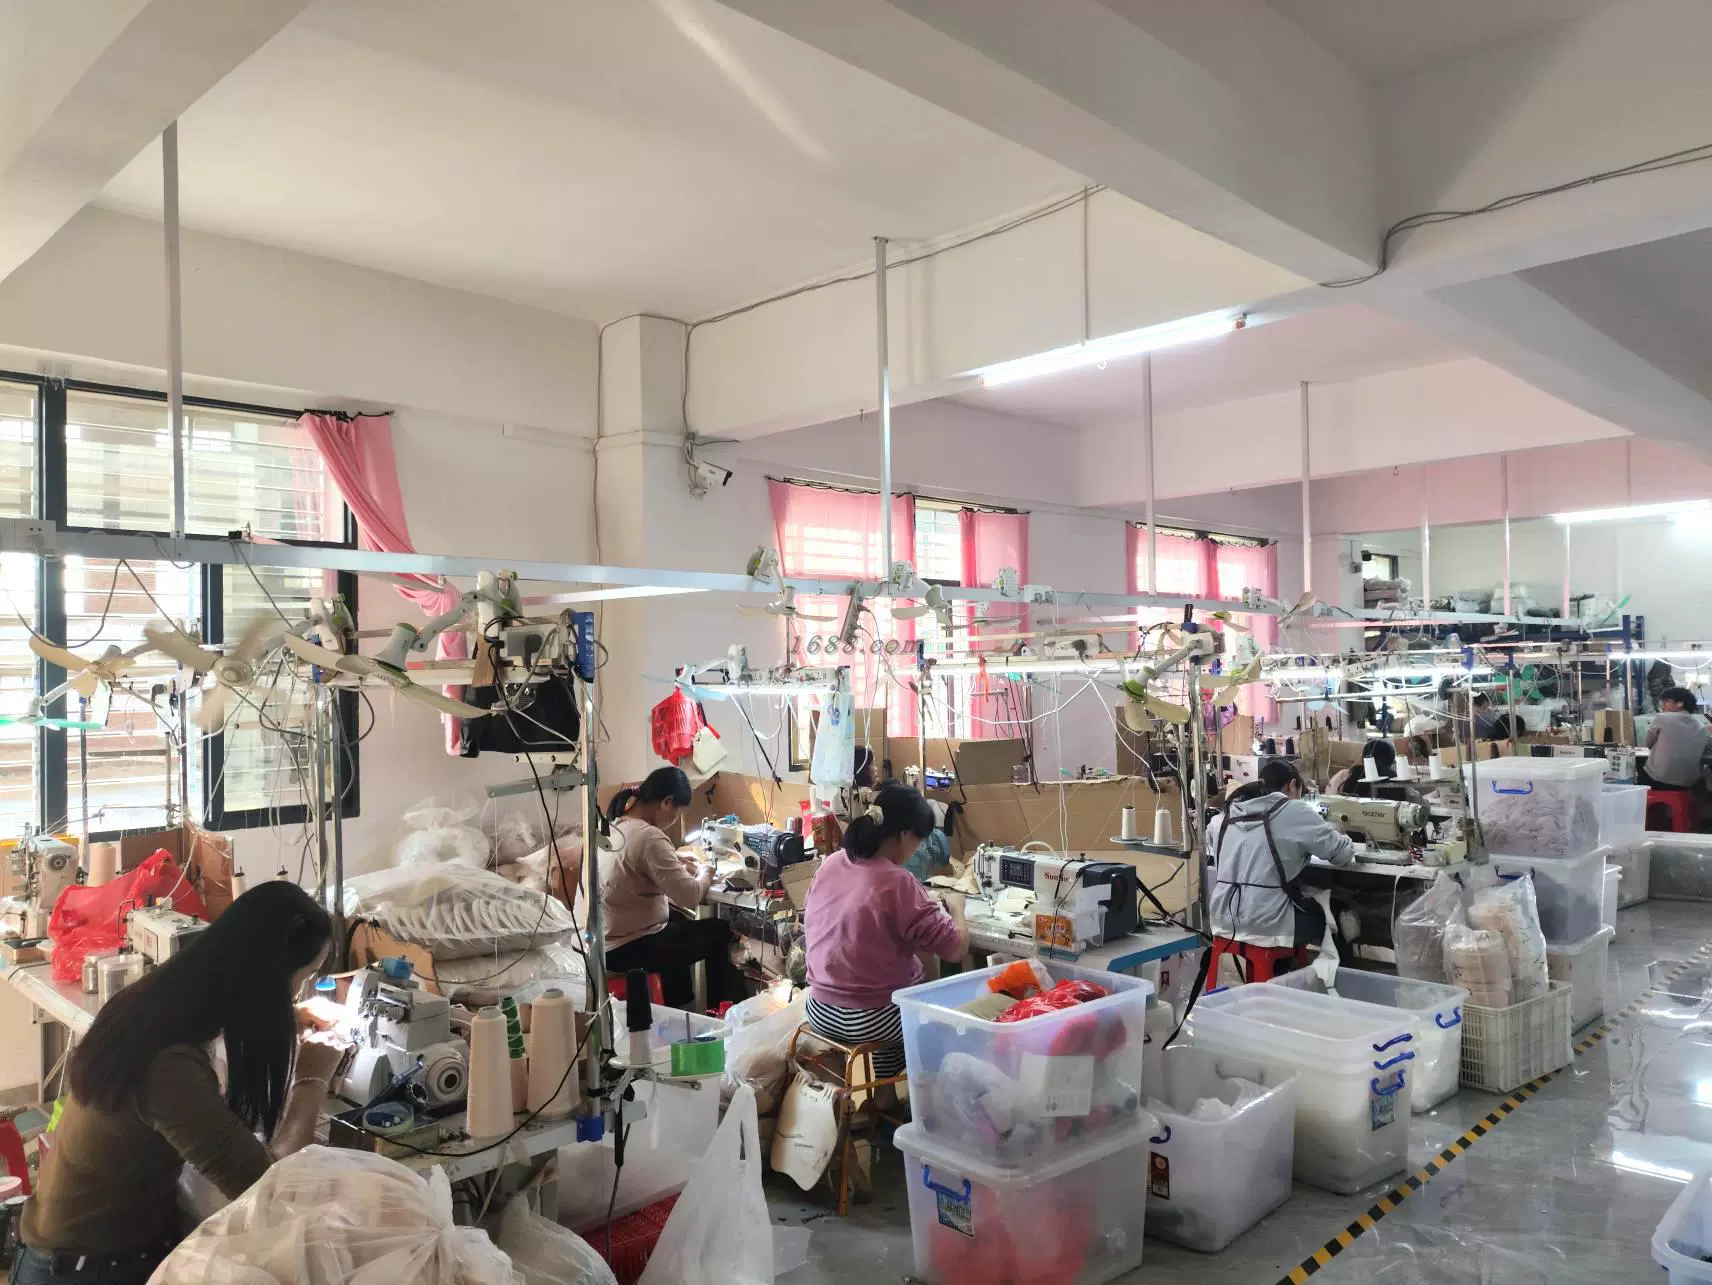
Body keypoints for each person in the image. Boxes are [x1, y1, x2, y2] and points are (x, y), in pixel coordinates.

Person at [14, 882, 343, 1285]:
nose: (297, 992)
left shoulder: (150, 1007)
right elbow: (268, 1192)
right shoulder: (167, 1068)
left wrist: (282, 1018)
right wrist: (312, 1078)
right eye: (301, 979)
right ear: (266, 980)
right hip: (87, 1271)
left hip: (72, 1250)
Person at [802, 784, 969, 1077]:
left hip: (819, 1008)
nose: (916, 849)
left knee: (905, 974)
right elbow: (956, 949)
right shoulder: (898, 881)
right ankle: (909, 1093)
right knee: (944, 1020)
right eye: (918, 841)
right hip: (870, 1019)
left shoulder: (832, 863)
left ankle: (882, 1094)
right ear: (904, 835)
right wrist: (958, 909)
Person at [602, 765, 747, 1011]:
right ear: (667, 802)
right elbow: (691, 896)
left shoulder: (614, 825)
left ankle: (679, 1003)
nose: (675, 819)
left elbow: (635, 859)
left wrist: (675, 860)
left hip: (604, 942)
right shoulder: (650, 837)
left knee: (677, 922)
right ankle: (725, 1013)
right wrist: (706, 871)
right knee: (721, 933)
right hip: (626, 948)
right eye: (678, 812)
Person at [1207, 759, 1356, 975]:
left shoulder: (1226, 814)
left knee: (1292, 904)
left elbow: (1214, 841)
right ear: (1292, 785)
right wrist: (1343, 834)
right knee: (1339, 917)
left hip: (1223, 919)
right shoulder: (1294, 810)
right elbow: (1342, 855)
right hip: (1268, 923)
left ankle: (1275, 975)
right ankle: (1341, 987)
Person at [1643, 687, 1711, 791]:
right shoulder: (1702, 728)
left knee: (1639, 768)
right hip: (1688, 782)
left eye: (1666, 701)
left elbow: (1648, 744)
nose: (1663, 705)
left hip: (1658, 779)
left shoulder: (1662, 718)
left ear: (1680, 703)